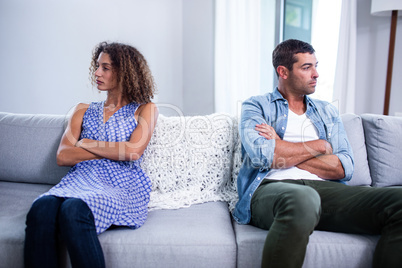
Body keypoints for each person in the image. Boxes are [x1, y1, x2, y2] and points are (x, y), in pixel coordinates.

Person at [232, 39, 402, 268]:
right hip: (271, 189)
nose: (316, 74)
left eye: (316, 65)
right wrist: (320, 146)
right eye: (306, 67)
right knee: (304, 198)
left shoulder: (326, 111)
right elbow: (265, 157)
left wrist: (281, 145)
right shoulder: (257, 106)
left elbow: (344, 167)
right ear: (283, 72)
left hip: (326, 191)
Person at [24, 41, 158, 268]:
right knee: (41, 209)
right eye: (97, 66)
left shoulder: (144, 109)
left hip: (120, 183)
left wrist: (86, 143)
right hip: (80, 180)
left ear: (124, 72)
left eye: (105, 68)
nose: (96, 73)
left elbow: (133, 151)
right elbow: (64, 156)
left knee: (73, 209)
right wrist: (114, 150)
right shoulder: (82, 109)